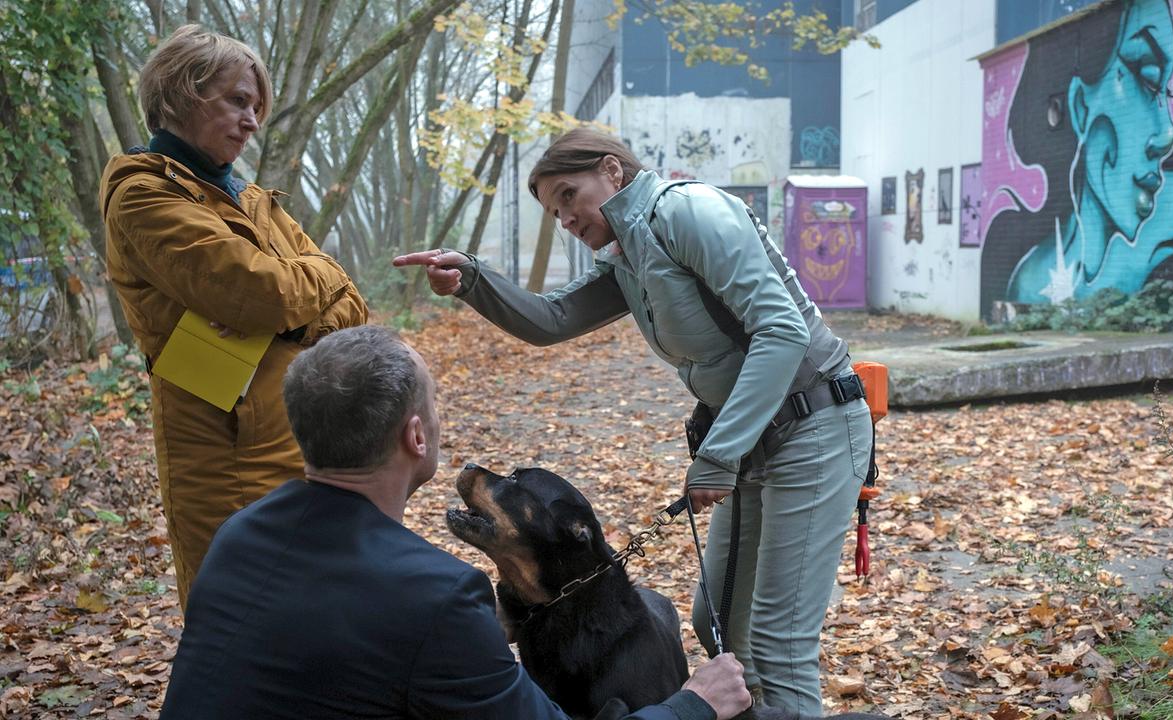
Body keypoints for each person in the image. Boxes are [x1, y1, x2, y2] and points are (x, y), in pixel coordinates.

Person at [394, 128, 873, 714]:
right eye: (553, 210)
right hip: (753, 437)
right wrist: (472, 278)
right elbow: (553, 318)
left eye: (569, 195)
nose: (564, 217)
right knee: (715, 620)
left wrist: (718, 454)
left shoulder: (689, 213)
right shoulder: (631, 253)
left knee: (775, 643)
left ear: (612, 170)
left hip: (815, 425)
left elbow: (782, 330)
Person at [158, 325, 752, 720]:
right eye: (434, 406)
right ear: (416, 437)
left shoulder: (238, 535)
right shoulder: (436, 596)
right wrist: (695, 703)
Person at [99, 25, 367, 610]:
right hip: (219, 442)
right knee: (239, 615)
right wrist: (296, 298)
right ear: (180, 93)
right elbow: (260, 293)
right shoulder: (143, 194)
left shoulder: (248, 198)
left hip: (298, 428)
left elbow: (352, 303)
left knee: (309, 608)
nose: (252, 120)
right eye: (237, 100)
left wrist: (292, 319)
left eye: (257, 106)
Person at [981, 0, 1173, 335]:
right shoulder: (1030, 277)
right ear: (1080, 105)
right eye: (1147, 79)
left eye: (1167, 93)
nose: (1168, 133)